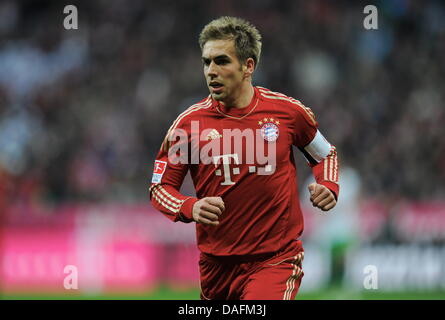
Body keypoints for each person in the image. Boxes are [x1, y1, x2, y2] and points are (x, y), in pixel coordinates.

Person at [149, 16, 339, 300]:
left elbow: (326, 155)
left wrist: (329, 185)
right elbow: (159, 188)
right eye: (206, 62)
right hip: (216, 267)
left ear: (248, 66)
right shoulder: (188, 125)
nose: (211, 71)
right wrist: (190, 207)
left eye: (222, 61)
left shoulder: (287, 113)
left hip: (275, 260)